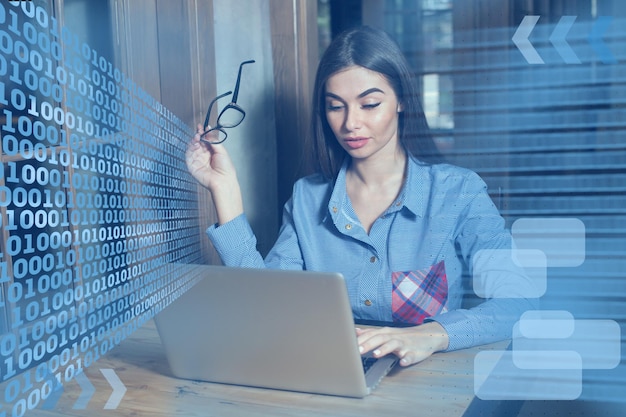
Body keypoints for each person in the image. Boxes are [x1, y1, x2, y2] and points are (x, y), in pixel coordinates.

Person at [186, 26, 537, 367]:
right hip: (330, 375)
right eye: (335, 106)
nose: (351, 123)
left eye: (369, 104)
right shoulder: (307, 198)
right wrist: (225, 189)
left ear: (401, 101)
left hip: (432, 389)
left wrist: (428, 335)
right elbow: (265, 307)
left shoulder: (458, 192)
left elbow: (519, 303)